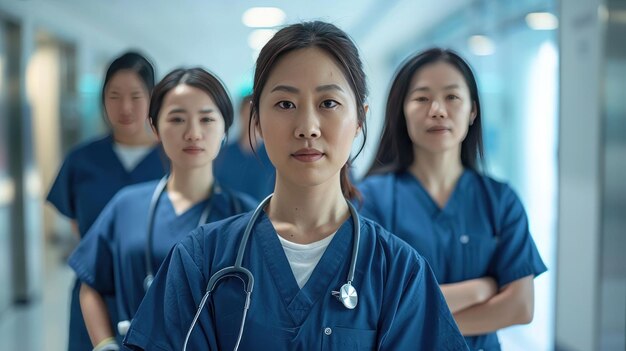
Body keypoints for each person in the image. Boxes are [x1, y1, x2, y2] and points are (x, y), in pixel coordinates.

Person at [123, 22, 468, 351]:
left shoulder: (399, 271)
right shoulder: (200, 260)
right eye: (285, 104)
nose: (307, 127)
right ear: (256, 119)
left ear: (360, 119)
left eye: (328, 103)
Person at [358, 48, 547, 351]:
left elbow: (520, 307)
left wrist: (416, 317)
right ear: (401, 110)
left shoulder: (500, 200)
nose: (438, 110)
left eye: (452, 97)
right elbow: (376, 308)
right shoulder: (372, 199)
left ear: (473, 110)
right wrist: (479, 289)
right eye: (421, 98)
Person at [68, 68, 256, 351]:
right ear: (155, 128)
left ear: (224, 130)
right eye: (177, 119)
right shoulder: (126, 205)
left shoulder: (245, 215)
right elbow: (91, 283)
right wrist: (105, 344)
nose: (193, 133)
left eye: (206, 119)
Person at [46, 51, 166, 351]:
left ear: (153, 97)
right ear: (102, 100)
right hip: (92, 295)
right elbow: (78, 225)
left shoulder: (173, 159)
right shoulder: (82, 160)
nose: (125, 107)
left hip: (157, 298)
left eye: (136, 96)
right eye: (114, 95)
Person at [213, 94, 275, 201]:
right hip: (229, 214)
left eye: (255, 114)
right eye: (248, 113)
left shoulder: (272, 155)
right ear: (240, 114)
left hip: (261, 214)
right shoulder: (223, 153)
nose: (251, 119)